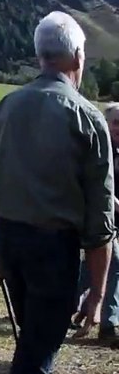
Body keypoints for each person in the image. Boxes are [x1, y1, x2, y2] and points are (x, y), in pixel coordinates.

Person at [0, 10, 116, 374]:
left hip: (11, 240)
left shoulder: (4, 107)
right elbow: (101, 224)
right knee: (39, 353)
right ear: (79, 56)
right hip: (53, 249)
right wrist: (97, 295)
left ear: (40, 57)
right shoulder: (89, 118)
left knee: (30, 340)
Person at [73, 102, 119, 344]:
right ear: (105, 123)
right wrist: (112, 199)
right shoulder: (98, 146)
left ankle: (66, 305)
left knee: (91, 269)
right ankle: (108, 326)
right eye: (115, 122)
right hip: (93, 217)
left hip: (112, 221)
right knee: (114, 262)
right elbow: (87, 178)